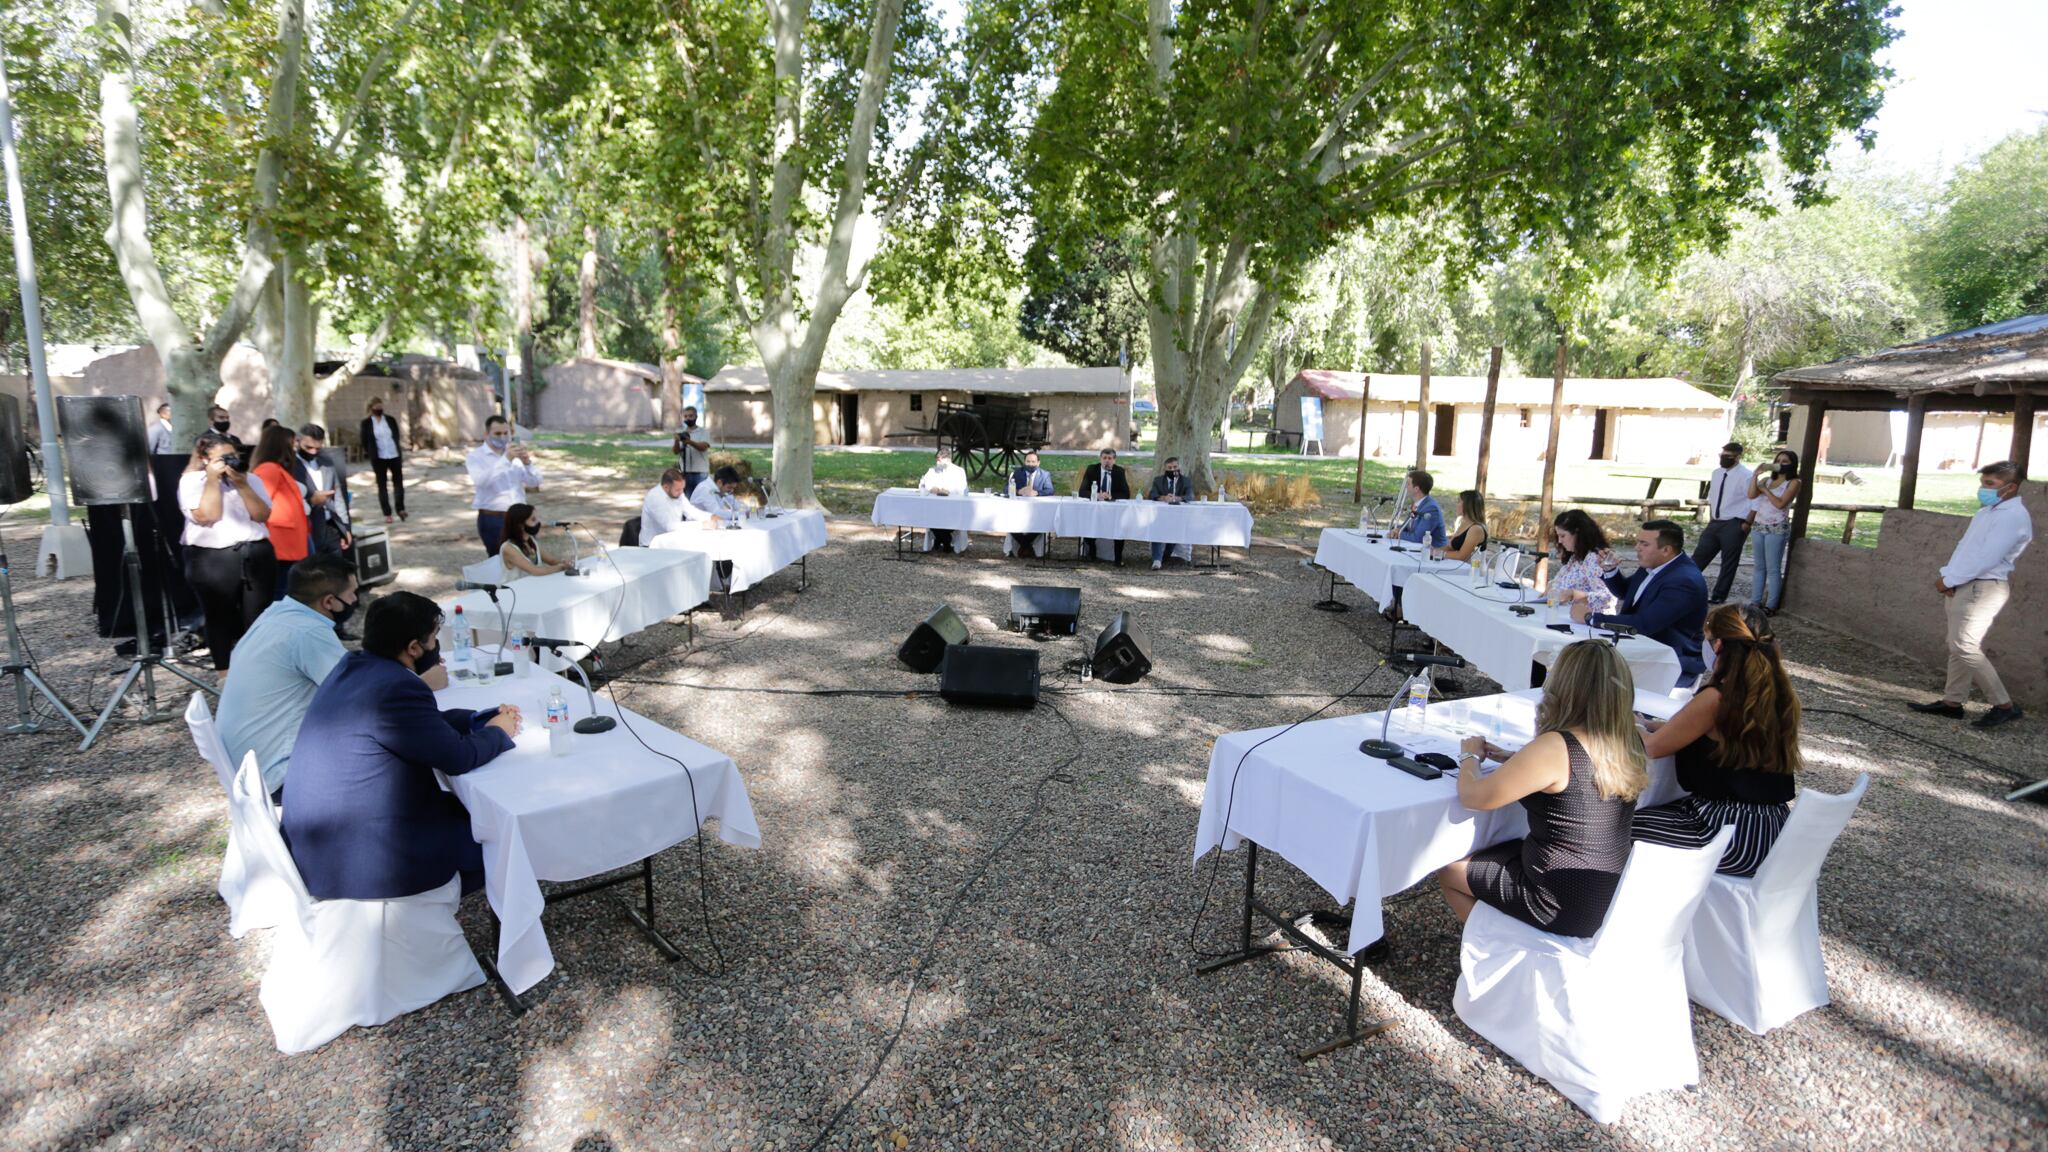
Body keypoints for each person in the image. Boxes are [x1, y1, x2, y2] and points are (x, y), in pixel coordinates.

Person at [281, 591, 521, 901]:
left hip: (322, 846)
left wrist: (481, 719)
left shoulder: (354, 666)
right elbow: (459, 757)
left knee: (469, 809)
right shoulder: (398, 687)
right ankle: (510, 929)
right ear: (413, 647)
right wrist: (499, 733)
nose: (437, 649)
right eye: (434, 639)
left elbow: (419, 724)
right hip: (366, 859)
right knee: (500, 832)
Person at [1438, 640, 1648, 936]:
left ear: (1565, 685)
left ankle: (1501, 949)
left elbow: (1473, 796)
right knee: (1499, 849)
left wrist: (1469, 755)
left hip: (1556, 899)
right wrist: (1517, 759)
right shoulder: (1630, 739)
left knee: (1448, 871)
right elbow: (1582, 775)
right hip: (1607, 891)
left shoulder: (1556, 747)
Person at [1633, 605, 1799, 876]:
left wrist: (1636, 725)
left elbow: (1652, 747)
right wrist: (1653, 724)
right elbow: (1714, 733)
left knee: (1614, 825)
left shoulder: (1717, 697)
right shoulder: (1776, 692)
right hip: (1771, 830)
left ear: (1719, 645)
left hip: (1724, 832)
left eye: (1706, 640)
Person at [215, 555, 358, 801]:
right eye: (352, 593)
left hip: (247, 770)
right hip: (278, 777)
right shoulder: (308, 632)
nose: (356, 600)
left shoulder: (277, 613)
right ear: (329, 602)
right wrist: (416, 681)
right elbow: (359, 695)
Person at [1909, 460, 2032, 729]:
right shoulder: (1988, 511)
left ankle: (2005, 705)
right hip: (1964, 583)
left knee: (1964, 645)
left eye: (1990, 484)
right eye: (1982, 483)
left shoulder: (2012, 516)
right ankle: (1952, 702)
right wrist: (1949, 575)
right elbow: (1966, 548)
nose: (1983, 489)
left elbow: (1988, 558)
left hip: (1983, 586)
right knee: (1957, 645)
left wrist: (1951, 579)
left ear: (2010, 487)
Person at [178, 432, 275, 671]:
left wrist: (241, 484)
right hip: (212, 558)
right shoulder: (192, 481)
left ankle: (258, 671)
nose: (230, 461)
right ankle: (224, 672)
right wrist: (212, 480)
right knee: (219, 616)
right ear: (204, 458)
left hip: (255, 552)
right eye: (223, 458)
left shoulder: (250, 479)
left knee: (259, 617)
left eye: (233, 456)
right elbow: (207, 515)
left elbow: (262, 515)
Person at [1576, 519, 1710, 685]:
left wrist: (1591, 618)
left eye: (1644, 544)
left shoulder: (1684, 580)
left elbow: (1644, 624)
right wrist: (1610, 570)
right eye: (1638, 542)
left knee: (1587, 676)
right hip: (1643, 651)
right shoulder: (1656, 564)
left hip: (1669, 664)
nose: (1637, 548)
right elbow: (1626, 592)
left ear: (1666, 550)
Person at [248, 424, 312, 602]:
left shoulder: (276, 468)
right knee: (281, 592)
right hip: (280, 544)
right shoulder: (268, 469)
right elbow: (261, 505)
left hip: (288, 541)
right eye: (292, 444)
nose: (295, 449)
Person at [466, 415, 542, 557]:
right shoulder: (475, 457)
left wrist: (527, 462)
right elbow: (482, 482)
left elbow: (535, 482)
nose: (502, 437)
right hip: (494, 518)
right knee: (499, 560)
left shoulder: (515, 454)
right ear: (486, 434)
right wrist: (506, 459)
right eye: (497, 434)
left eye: (506, 433)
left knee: (527, 558)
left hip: (520, 517)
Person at [1693, 441, 1756, 604]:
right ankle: (1685, 588)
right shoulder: (1717, 473)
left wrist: (1747, 523)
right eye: (1722, 455)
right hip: (1716, 521)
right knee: (1699, 556)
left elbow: (1754, 500)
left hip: (1735, 522)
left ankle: (1719, 595)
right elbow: (1714, 496)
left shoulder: (1746, 476)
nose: (1723, 458)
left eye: (1728, 456)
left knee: (1729, 562)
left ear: (1737, 457)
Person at [1747, 447, 1800, 614]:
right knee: (1759, 566)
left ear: (1792, 465)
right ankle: (1755, 602)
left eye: (1785, 462)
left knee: (1773, 568)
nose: (1780, 464)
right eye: (1777, 461)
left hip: (1776, 527)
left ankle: (1771, 605)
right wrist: (1755, 476)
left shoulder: (1794, 482)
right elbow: (1751, 495)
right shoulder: (1768, 480)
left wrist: (1765, 490)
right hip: (1759, 525)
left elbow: (1780, 504)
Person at [294, 424, 353, 560]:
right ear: (298, 441)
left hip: (331, 528)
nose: (313, 452)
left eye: (318, 448)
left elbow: (338, 498)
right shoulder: (289, 466)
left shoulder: (327, 461)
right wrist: (311, 502)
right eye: (308, 447)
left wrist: (345, 528)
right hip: (307, 530)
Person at [1545, 509, 1619, 615]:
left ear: (1578, 533)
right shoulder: (1575, 557)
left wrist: (1574, 594)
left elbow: (1609, 598)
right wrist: (1552, 585)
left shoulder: (1595, 559)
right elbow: (1561, 581)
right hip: (1569, 618)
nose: (1560, 541)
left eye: (1563, 536)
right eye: (1558, 536)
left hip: (1592, 624)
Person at [1078, 448, 1131, 562]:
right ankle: (1091, 552)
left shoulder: (1119, 471)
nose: (1107, 461)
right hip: (1095, 508)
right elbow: (1082, 491)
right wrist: (1096, 495)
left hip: (1113, 509)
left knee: (1119, 527)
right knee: (1088, 522)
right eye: (1104, 458)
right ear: (1100, 459)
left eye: (1110, 458)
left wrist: (1110, 496)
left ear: (1114, 460)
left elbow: (1126, 494)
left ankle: (1118, 558)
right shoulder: (1092, 469)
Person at [360, 397, 407, 523]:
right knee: (382, 485)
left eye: (381, 406)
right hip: (378, 458)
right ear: (371, 408)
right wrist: (371, 453)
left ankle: (400, 509)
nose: (379, 408)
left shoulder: (390, 420)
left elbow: (396, 435)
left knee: (398, 483)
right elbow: (364, 441)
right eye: (377, 406)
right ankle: (387, 513)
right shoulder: (366, 423)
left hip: (393, 455)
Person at [917, 448, 972, 553]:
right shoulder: (932, 471)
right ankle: (945, 539)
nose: (937, 462)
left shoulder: (959, 471)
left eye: (939, 460)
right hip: (934, 507)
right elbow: (924, 484)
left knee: (948, 518)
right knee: (932, 517)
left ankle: (943, 539)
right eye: (937, 460)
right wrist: (931, 488)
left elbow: (962, 489)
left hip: (953, 508)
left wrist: (948, 491)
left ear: (946, 459)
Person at [499, 503, 573, 580]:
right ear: (520, 524)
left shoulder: (531, 541)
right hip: (514, 590)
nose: (538, 523)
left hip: (532, 586)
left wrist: (564, 562)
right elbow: (535, 571)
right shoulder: (508, 548)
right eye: (533, 520)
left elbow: (551, 560)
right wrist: (561, 567)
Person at [1145, 456, 1194, 570]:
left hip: (1178, 516)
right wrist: (1163, 497)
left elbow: (1190, 496)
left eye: (1175, 467)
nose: (1172, 470)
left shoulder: (1185, 480)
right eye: (1170, 468)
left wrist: (1178, 498)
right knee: (1156, 529)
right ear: (1165, 469)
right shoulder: (1158, 480)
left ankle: (1165, 556)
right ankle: (1157, 560)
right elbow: (1152, 494)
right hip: (1160, 515)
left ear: (1179, 467)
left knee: (1175, 532)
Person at [641, 467, 715, 541]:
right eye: (678, 490)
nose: (681, 492)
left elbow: (691, 511)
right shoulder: (655, 498)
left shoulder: (677, 492)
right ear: (666, 487)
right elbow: (670, 526)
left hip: (671, 540)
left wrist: (712, 517)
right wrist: (701, 525)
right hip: (652, 546)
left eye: (683, 488)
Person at [1006, 450, 1055, 558]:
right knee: (1009, 523)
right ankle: (1027, 547)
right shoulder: (1017, 473)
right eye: (1028, 461)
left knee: (1043, 524)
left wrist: (1036, 492)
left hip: (1038, 510)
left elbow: (1050, 490)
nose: (1030, 464)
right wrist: (1019, 491)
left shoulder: (1045, 474)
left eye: (1033, 462)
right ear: (1024, 462)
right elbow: (1006, 489)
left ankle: (1024, 546)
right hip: (1018, 510)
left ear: (1038, 463)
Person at [1396, 469, 1447, 549]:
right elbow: (1406, 527)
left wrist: (1398, 533)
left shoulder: (1431, 508)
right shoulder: (1417, 503)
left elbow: (1418, 538)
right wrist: (1396, 529)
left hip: (1433, 554)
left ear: (1416, 489)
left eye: (1408, 484)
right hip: (1416, 549)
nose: (1406, 487)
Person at [1441, 490, 1489, 563]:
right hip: (1457, 567)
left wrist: (1438, 553)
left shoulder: (1476, 529)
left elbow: (1461, 556)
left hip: (1471, 571)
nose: (1456, 504)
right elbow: (1450, 547)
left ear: (1467, 505)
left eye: (1459, 501)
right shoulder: (1463, 523)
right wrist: (1430, 551)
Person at [672, 406, 711, 496]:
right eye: (685, 416)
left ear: (696, 417)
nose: (688, 418)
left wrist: (689, 442)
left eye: (690, 416)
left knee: (701, 498)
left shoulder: (703, 432)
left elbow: (703, 447)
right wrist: (677, 441)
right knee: (687, 498)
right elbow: (675, 451)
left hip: (701, 471)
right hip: (685, 472)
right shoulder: (681, 432)